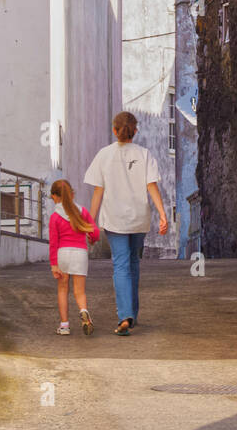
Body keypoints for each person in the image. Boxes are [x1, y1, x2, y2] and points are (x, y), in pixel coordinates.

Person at [84, 111, 168, 336]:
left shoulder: (104, 155)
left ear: (114, 130)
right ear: (135, 130)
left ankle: (125, 316)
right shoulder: (145, 154)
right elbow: (152, 186)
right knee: (133, 263)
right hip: (139, 219)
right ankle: (132, 313)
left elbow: (98, 192)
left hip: (114, 219)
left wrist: (90, 222)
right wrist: (162, 214)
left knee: (120, 265)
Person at [48, 178, 100, 336]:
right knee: (80, 292)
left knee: (63, 290)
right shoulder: (82, 211)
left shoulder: (55, 217)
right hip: (80, 254)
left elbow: (53, 243)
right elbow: (95, 232)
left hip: (63, 254)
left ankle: (64, 326)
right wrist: (92, 239)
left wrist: (54, 264)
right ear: (72, 194)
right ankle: (84, 312)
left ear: (53, 197)